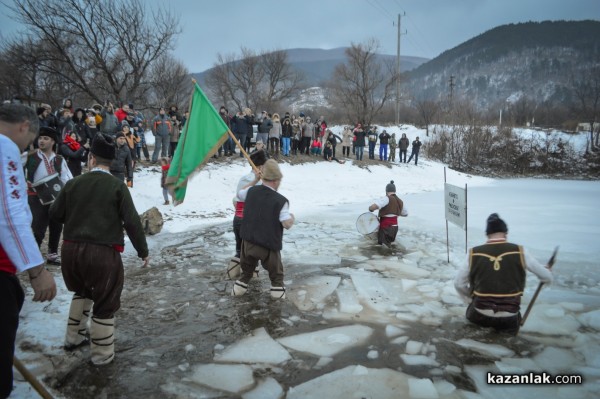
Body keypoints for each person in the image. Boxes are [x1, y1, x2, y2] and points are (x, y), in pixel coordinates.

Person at [49, 133, 149, 365]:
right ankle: (102, 356)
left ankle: (73, 338)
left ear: (91, 158)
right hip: (102, 253)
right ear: (111, 161)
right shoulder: (117, 186)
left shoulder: (73, 183)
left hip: (71, 251)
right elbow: (132, 221)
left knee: (82, 291)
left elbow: (55, 214)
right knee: (105, 300)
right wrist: (143, 251)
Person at [0, 103, 57, 399]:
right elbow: (9, 213)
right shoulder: (4, 146)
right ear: (25, 126)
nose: (29, 146)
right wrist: (36, 269)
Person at [454, 213, 553, 335]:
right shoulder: (521, 251)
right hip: (509, 315)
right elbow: (546, 276)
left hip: (480, 312)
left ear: (487, 234)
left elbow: (459, 283)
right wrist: (546, 271)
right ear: (505, 233)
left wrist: (470, 299)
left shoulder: (473, 253)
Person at [232, 159, 294, 299]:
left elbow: (239, 194)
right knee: (277, 280)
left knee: (245, 276)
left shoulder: (251, 191)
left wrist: (255, 180)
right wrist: (292, 218)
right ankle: (276, 313)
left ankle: (234, 302)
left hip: (248, 244)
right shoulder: (281, 201)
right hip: (269, 248)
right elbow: (286, 224)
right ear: (276, 180)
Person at [25, 127, 73, 265]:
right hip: (36, 197)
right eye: (40, 138)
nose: (41, 141)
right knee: (38, 228)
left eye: (45, 138)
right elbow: (15, 171)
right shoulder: (30, 157)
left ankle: (52, 254)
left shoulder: (59, 159)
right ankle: (34, 257)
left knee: (56, 225)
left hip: (55, 197)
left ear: (53, 142)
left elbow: (67, 178)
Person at [231, 149, 267, 264]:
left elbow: (236, 200)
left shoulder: (253, 180)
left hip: (245, 220)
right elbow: (241, 198)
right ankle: (243, 278)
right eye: (265, 166)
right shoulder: (252, 181)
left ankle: (241, 277)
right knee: (248, 254)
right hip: (247, 221)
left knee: (244, 252)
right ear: (260, 166)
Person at [368, 180, 408, 248]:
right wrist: (395, 212)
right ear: (394, 191)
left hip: (385, 227)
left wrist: (370, 209)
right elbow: (405, 214)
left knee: (383, 247)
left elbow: (375, 206)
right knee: (390, 245)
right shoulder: (400, 201)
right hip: (395, 227)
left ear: (386, 191)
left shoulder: (386, 198)